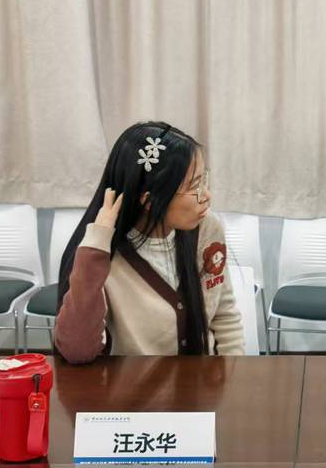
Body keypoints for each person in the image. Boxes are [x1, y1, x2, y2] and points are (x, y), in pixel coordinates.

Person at [54, 122, 243, 362]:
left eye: (203, 180)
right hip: (132, 386)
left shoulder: (206, 228)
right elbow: (77, 351)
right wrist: (95, 248)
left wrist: (234, 372)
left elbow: (224, 316)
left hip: (203, 383)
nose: (206, 195)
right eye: (195, 186)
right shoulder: (100, 254)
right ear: (149, 201)